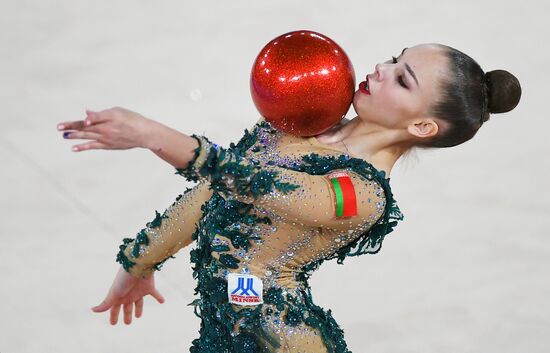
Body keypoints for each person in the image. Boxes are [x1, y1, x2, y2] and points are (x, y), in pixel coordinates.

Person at [58, 43, 521, 352]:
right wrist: (138, 263)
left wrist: (150, 134)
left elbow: (250, 184)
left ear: (422, 126)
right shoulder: (301, 125)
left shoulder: (360, 194)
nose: (380, 70)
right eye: (393, 58)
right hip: (231, 327)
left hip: (282, 340)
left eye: (402, 80)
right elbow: (213, 196)